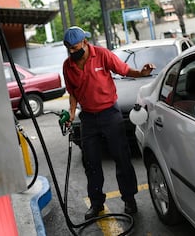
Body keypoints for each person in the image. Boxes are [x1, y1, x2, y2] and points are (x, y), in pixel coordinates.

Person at [62, 26, 155, 220]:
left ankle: (129, 199)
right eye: (69, 48)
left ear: (85, 42)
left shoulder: (102, 55)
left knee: (122, 157)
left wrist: (142, 73)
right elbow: (72, 93)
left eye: (75, 47)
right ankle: (97, 204)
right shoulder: (67, 65)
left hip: (110, 114)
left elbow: (125, 70)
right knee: (91, 163)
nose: (72, 51)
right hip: (88, 118)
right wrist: (72, 113)